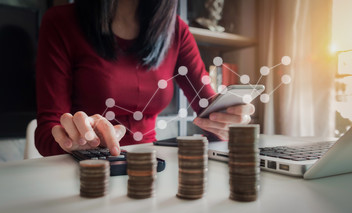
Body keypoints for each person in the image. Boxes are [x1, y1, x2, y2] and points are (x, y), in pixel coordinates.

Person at [35, 0, 255, 157]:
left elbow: (211, 112)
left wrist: (229, 121)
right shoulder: (60, 22)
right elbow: (47, 133)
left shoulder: (176, 30)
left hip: (153, 163)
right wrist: (78, 141)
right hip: (88, 169)